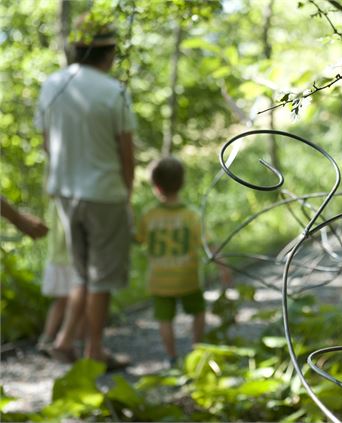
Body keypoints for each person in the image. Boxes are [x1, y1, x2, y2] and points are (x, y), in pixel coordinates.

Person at [35, 13, 135, 369]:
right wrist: (128, 196)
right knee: (101, 278)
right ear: (108, 54)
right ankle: (94, 351)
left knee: (80, 272)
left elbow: (48, 144)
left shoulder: (53, 85)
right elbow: (126, 153)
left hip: (65, 194)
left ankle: (66, 342)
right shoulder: (113, 91)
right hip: (104, 193)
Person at [136, 157, 207, 366]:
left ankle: (172, 357)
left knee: (164, 320)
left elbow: (139, 239)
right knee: (199, 312)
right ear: (182, 182)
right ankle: (197, 351)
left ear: (156, 187)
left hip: (160, 280)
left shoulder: (149, 214)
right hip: (188, 278)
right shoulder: (191, 214)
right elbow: (207, 242)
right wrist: (222, 267)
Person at [36, 203, 84, 355]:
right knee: (79, 300)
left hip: (57, 258)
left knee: (61, 301)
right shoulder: (75, 200)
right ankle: (74, 341)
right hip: (73, 258)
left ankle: (47, 338)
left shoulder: (55, 202)